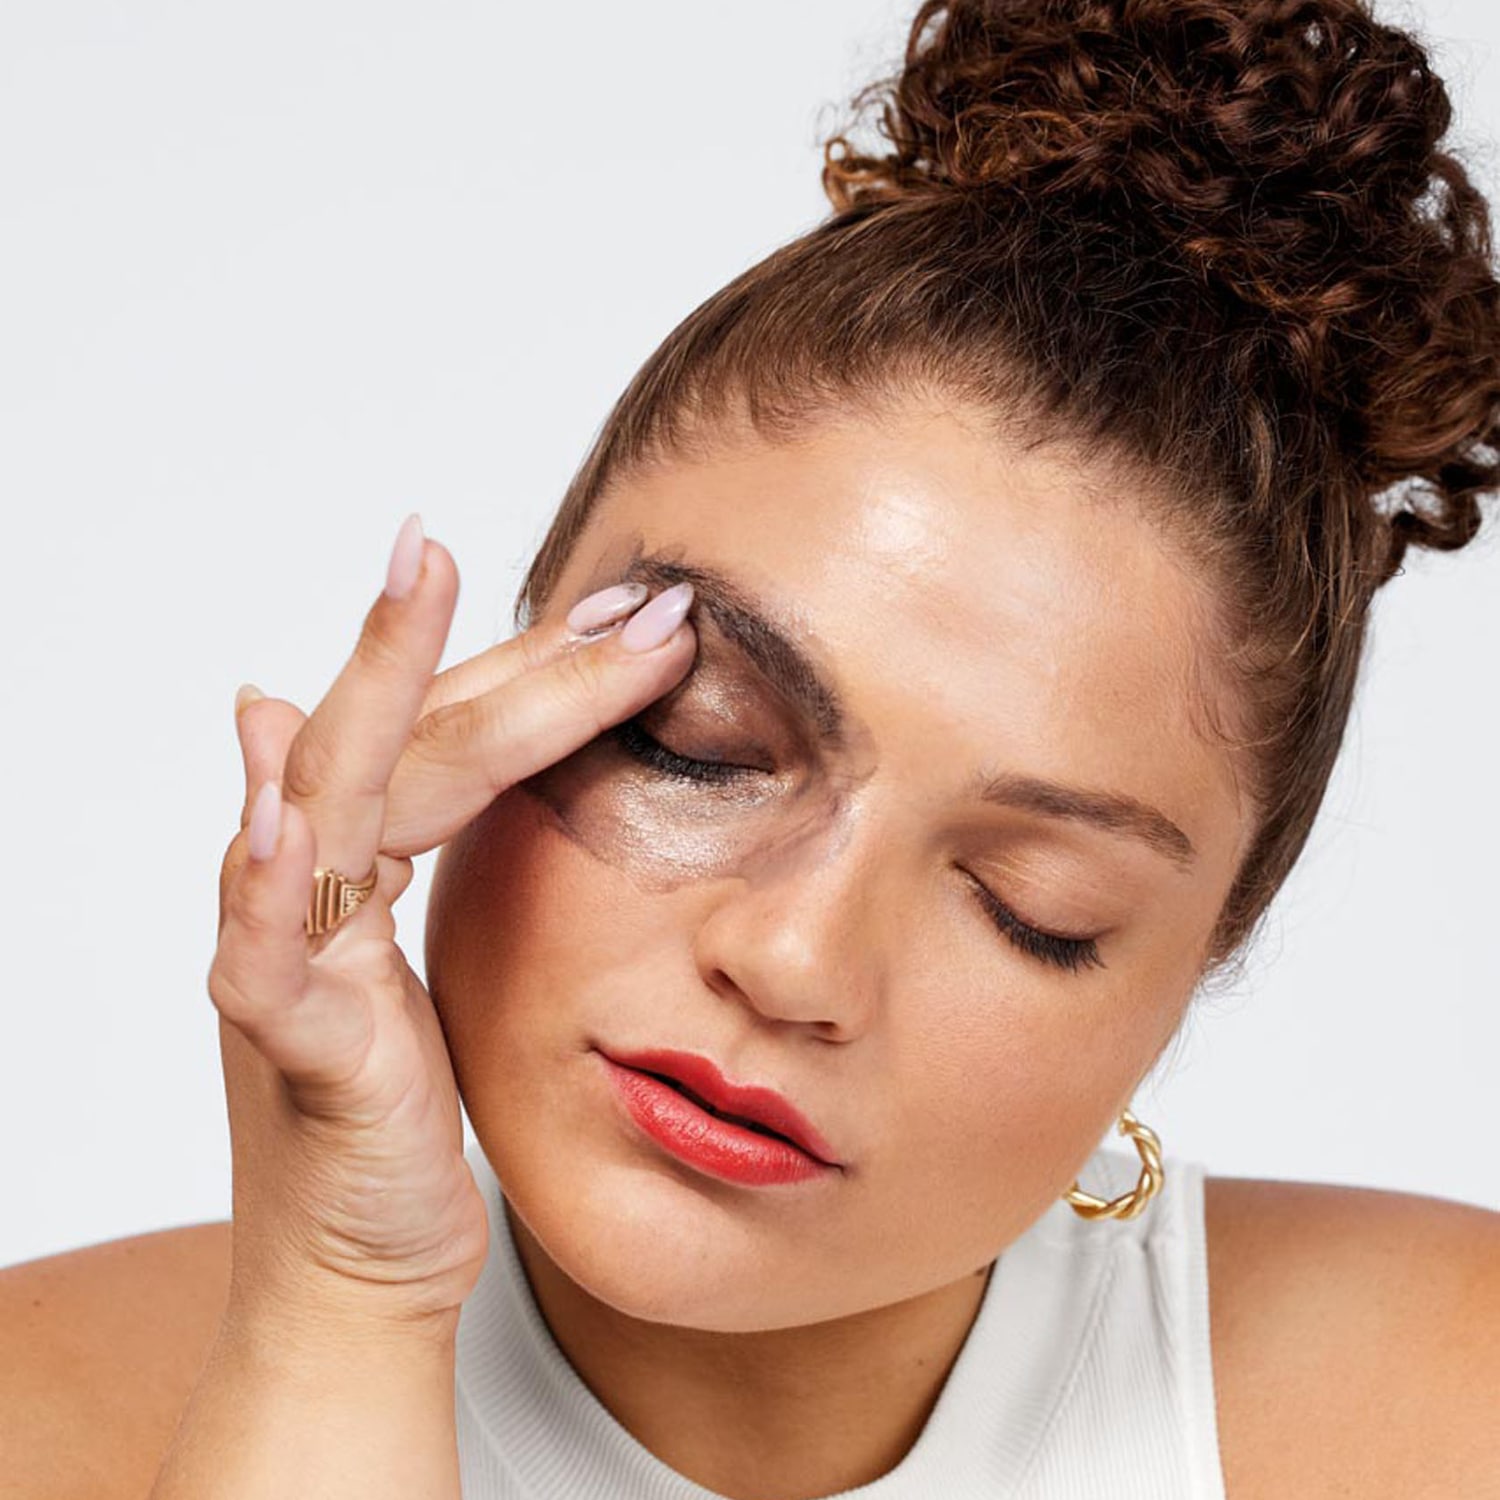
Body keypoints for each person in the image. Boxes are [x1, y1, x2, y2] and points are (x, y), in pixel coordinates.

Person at [4, 0, 1499, 1495]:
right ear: (518, 677)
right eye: (698, 744)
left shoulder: (1444, 1399)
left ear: (1196, 965)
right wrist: (337, 1296)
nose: (794, 964)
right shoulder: (46, 1414)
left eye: (1028, 905)